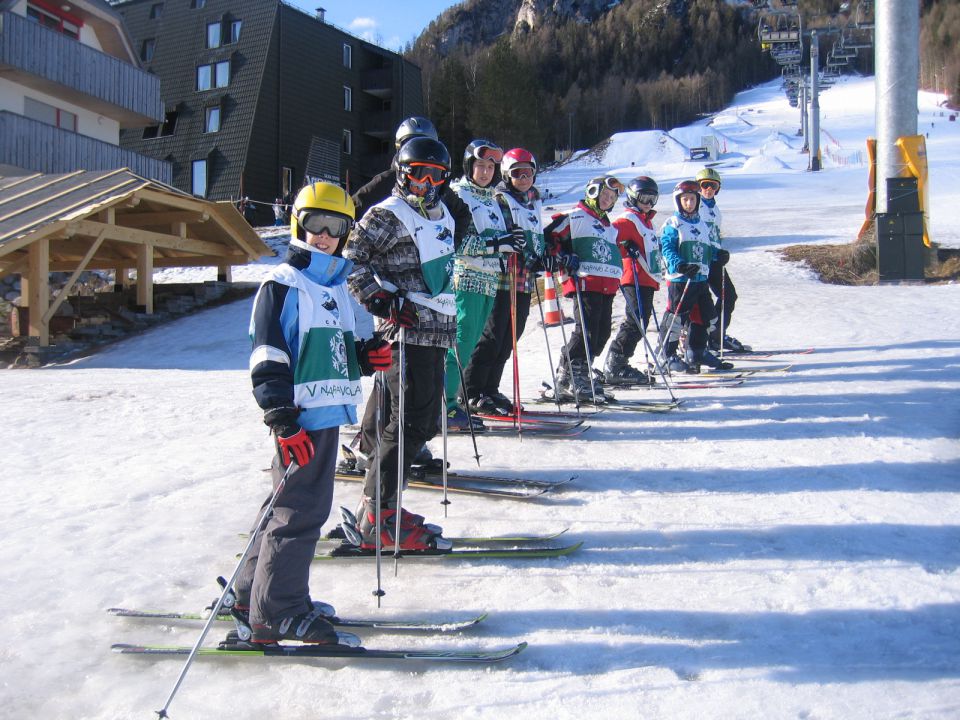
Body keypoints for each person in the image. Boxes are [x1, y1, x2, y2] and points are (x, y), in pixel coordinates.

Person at [235, 182, 393, 644]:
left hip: (325, 412)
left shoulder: (337, 286)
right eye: (314, 224)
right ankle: (276, 611)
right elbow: (268, 356)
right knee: (299, 512)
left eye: (335, 227)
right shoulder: (283, 284)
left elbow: (334, 350)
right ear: (296, 224)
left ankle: (251, 594)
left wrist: (366, 359)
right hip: (301, 418)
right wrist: (282, 420)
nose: (323, 235)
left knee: (284, 506)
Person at [344, 136, 457, 552]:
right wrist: (380, 299)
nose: (426, 183)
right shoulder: (387, 215)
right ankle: (378, 513)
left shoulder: (442, 214)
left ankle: (383, 505)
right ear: (402, 172)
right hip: (405, 331)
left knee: (422, 422)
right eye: (417, 174)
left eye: (435, 175)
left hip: (437, 330)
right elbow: (350, 259)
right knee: (409, 421)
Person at [351, 117, 470, 463]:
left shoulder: (440, 191)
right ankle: (375, 448)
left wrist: (446, 246)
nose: (427, 180)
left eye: (435, 171)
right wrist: (378, 292)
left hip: (433, 306)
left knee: (415, 396)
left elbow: (460, 218)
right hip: (396, 303)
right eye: (412, 145)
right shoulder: (388, 185)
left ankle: (401, 447)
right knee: (390, 381)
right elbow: (355, 212)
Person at [462, 148, 545, 415]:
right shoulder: (501, 199)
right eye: (517, 173)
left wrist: (544, 257)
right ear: (507, 176)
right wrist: (525, 252)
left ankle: (490, 387)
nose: (523, 178)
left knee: (511, 336)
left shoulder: (535, 203)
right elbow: (507, 234)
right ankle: (472, 390)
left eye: (527, 173)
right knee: (493, 335)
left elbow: (536, 238)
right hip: (502, 277)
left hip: (524, 280)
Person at [443, 139, 518, 428]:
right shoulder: (458, 194)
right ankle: (444, 405)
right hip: (466, 278)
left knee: (471, 343)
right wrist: (497, 244)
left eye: (490, 167)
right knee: (459, 344)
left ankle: (453, 401)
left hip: (489, 280)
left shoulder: (492, 199)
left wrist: (511, 243)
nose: (485, 172)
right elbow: (455, 240)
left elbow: (498, 240)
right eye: (480, 166)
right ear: (468, 166)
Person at [544, 175, 624, 403]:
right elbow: (549, 237)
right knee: (586, 331)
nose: (607, 200)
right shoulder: (575, 216)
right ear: (593, 192)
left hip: (606, 284)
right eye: (605, 195)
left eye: (612, 198)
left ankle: (574, 373)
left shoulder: (608, 225)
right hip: (584, 281)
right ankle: (571, 374)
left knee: (602, 333)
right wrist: (563, 255)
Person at [657, 180, 729, 374]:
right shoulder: (673, 223)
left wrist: (717, 254)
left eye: (692, 199)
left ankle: (696, 351)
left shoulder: (702, 224)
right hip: (681, 279)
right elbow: (667, 248)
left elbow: (707, 247)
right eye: (685, 200)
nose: (689, 203)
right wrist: (679, 264)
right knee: (676, 318)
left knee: (705, 317)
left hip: (699, 279)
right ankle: (666, 355)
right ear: (678, 202)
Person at [604, 176, 663, 385]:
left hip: (646, 278)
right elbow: (609, 237)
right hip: (634, 276)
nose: (647, 203)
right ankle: (616, 363)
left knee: (641, 320)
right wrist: (625, 248)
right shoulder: (629, 220)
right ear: (632, 197)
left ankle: (619, 362)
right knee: (636, 320)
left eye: (652, 199)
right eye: (643, 198)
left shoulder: (646, 221)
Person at [696, 168, 745, 352]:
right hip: (700, 261)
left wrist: (720, 251)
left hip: (714, 261)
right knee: (700, 302)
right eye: (704, 185)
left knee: (728, 296)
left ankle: (716, 335)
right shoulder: (695, 204)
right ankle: (695, 339)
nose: (708, 189)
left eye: (713, 185)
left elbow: (714, 235)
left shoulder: (715, 210)